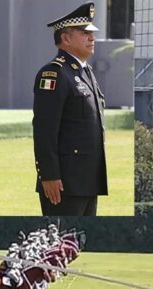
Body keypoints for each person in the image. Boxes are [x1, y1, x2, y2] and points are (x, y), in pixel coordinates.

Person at [33, 2, 107, 216]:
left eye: (91, 33)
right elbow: (44, 129)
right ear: (65, 38)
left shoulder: (87, 73)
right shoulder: (55, 74)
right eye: (84, 33)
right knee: (60, 239)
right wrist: (48, 175)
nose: (91, 38)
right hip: (64, 183)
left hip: (88, 180)